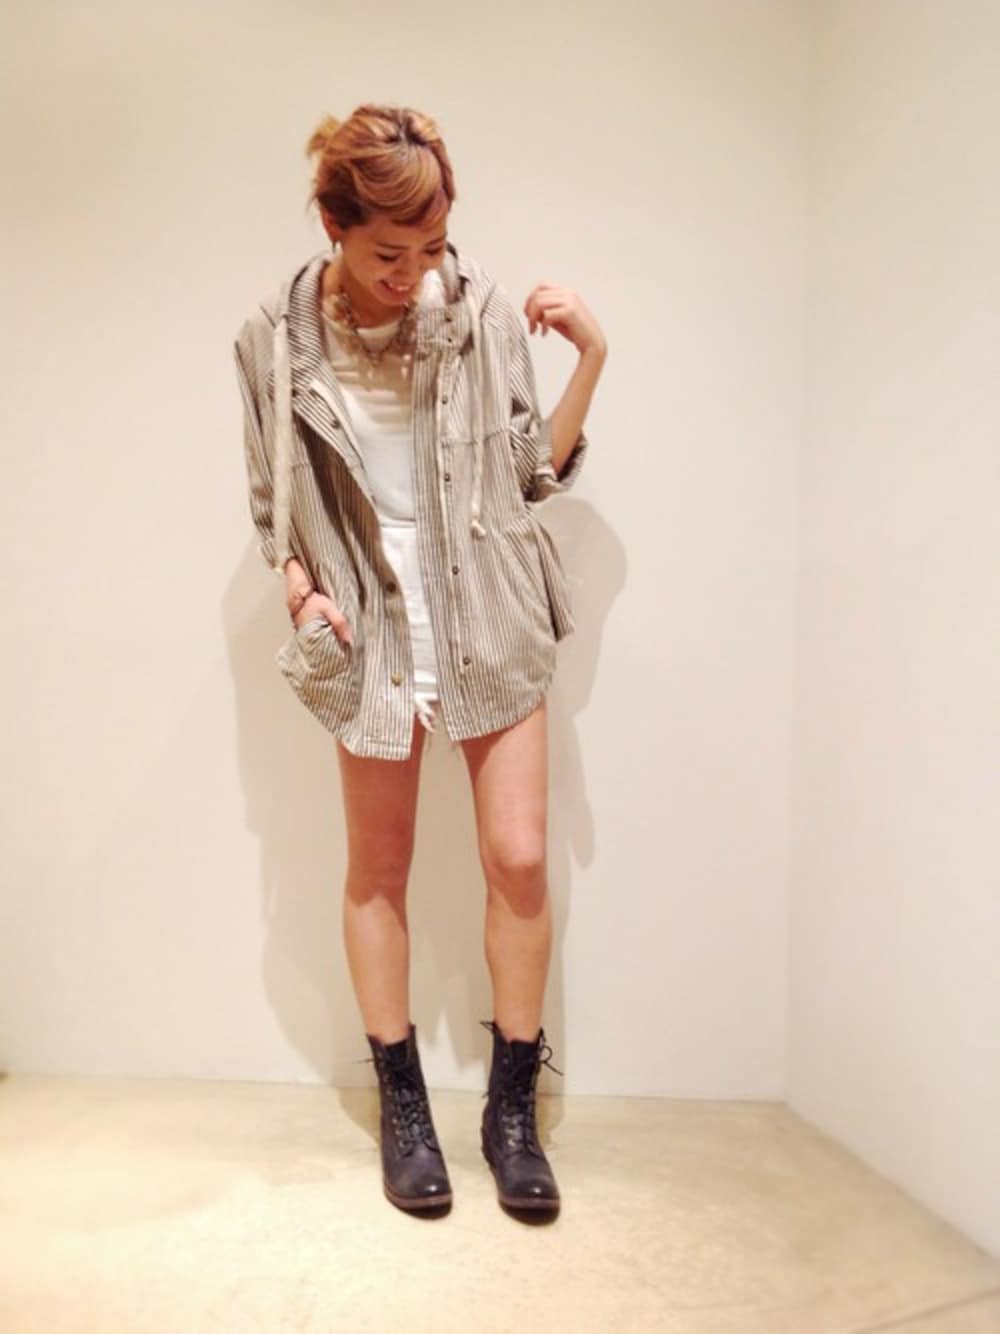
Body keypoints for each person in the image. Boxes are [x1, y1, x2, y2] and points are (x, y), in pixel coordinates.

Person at [232, 103, 606, 1217]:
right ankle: (403, 1103)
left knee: (520, 859)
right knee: (377, 868)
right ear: (335, 228)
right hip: (374, 623)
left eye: (432, 247)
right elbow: (272, 504)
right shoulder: (274, 341)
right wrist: (302, 588)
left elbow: (532, 475)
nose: (413, 274)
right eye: (389, 253)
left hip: (486, 606)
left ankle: (510, 1111)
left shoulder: (479, 310)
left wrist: (592, 356)